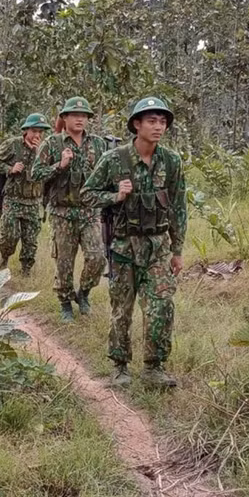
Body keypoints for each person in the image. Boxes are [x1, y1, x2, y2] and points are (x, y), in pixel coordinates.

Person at [81, 96, 187, 388]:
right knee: (122, 309)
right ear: (136, 124)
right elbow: (87, 194)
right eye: (152, 121)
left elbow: (178, 207)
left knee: (161, 306)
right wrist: (115, 195)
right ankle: (120, 366)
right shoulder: (114, 159)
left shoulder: (171, 161)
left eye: (162, 121)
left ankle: (154, 367)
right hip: (123, 248)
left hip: (158, 248)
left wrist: (177, 250)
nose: (158, 127)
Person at [32, 96, 107, 321]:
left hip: (89, 212)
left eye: (83, 116)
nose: (79, 119)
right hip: (62, 213)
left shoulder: (98, 144)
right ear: (64, 118)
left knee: (97, 257)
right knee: (64, 262)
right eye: (75, 115)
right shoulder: (52, 143)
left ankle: (83, 293)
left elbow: (106, 174)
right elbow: (36, 174)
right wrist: (60, 165)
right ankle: (65, 303)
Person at [0, 113, 52, 277]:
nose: (37, 135)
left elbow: (50, 171)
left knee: (31, 239)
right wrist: (10, 169)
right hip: (13, 199)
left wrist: (39, 153)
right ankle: (4, 258)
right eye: (34, 131)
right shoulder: (12, 144)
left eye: (40, 132)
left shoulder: (45, 148)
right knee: (10, 235)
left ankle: (26, 269)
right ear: (26, 130)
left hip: (33, 201)